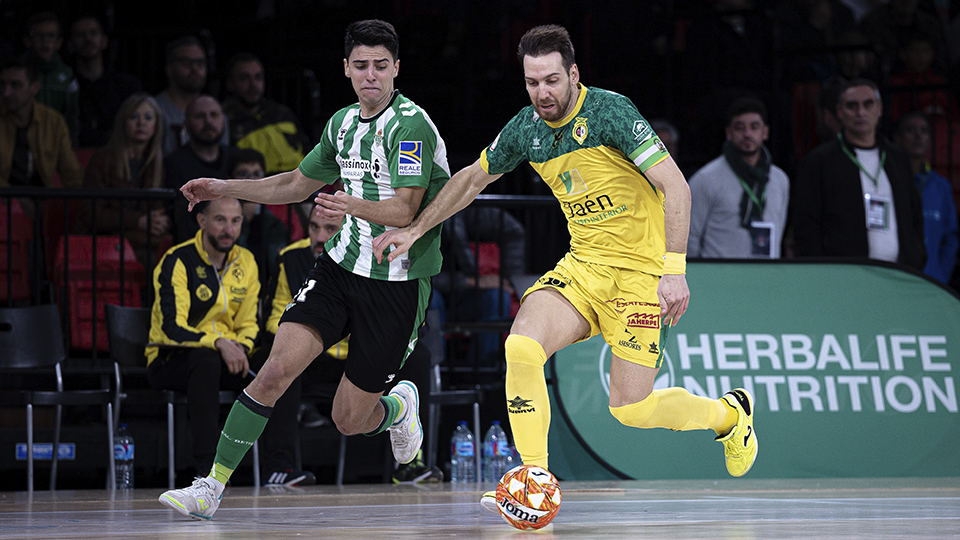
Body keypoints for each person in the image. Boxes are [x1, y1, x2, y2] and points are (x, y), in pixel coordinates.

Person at [371, 24, 758, 515]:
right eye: (532, 82)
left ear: (574, 74)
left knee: (631, 409)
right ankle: (536, 478)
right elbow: (471, 178)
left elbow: (676, 188)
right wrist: (414, 229)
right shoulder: (527, 128)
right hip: (582, 268)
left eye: (552, 80)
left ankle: (729, 416)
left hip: (638, 275)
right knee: (521, 346)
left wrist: (673, 270)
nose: (542, 93)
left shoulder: (610, 113)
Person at [160, 20, 444, 520]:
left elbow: (404, 211)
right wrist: (222, 187)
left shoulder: (411, 125)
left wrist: (346, 202)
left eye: (381, 66)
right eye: (361, 66)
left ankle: (399, 409)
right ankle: (210, 488)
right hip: (338, 269)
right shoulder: (340, 124)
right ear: (346, 69)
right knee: (272, 372)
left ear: (396, 68)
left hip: (396, 284)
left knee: (348, 419)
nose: (371, 76)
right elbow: (295, 183)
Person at [145, 197, 262, 479]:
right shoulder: (177, 260)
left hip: (228, 357)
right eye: (220, 220)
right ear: (202, 221)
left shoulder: (246, 261)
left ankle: (281, 468)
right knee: (206, 361)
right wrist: (220, 343)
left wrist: (241, 348)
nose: (228, 230)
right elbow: (173, 328)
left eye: (235, 221)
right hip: (170, 359)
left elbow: (250, 324)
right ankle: (207, 472)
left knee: (277, 364)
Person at [792, 78, 926, 270]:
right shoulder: (819, 162)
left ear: (879, 109)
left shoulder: (897, 158)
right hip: (845, 277)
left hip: (899, 275)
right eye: (852, 106)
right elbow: (806, 226)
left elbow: (914, 216)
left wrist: (916, 256)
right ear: (840, 112)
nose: (860, 112)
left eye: (868, 104)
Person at [687, 97, 790, 259]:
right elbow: (689, 238)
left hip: (765, 277)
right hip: (718, 279)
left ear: (765, 132)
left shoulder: (780, 179)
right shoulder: (705, 179)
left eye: (754, 127)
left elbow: (779, 233)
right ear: (728, 133)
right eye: (739, 128)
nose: (747, 134)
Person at [79, 92, 170, 269]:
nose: (141, 123)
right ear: (123, 123)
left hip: (143, 243)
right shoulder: (103, 159)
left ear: (156, 125)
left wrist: (160, 221)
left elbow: (158, 209)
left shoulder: (157, 164)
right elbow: (90, 214)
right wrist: (139, 221)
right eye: (133, 116)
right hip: (106, 244)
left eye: (148, 117)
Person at [433, 206, 525, 364]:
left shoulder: (466, 213)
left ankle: (484, 375)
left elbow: (512, 230)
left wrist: (508, 281)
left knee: (498, 297)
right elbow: (418, 278)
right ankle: (434, 375)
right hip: (436, 294)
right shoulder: (412, 217)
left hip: (466, 299)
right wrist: (473, 282)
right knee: (428, 297)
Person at [0, 58, 82, 200]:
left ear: (35, 88)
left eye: (15, 85)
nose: (6, 93)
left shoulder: (53, 121)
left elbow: (71, 174)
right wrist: (17, 200)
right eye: (2, 85)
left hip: (42, 204)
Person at [893, 112, 958, 283]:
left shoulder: (941, 187)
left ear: (930, 140)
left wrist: (940, 274)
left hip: (931, 281)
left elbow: (951, 238)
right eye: (910, 130)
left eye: (924, 131)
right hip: (894, 278)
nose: (918, 136)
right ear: (897, 138)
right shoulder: (887, 180)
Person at [222, 52, 313, 175]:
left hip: (301, 180)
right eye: (244, 78)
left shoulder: (281, 112)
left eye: (258, 77)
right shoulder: (224, 120)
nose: (253, 84)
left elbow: (309, 150)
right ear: (230, 83)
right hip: (261, 185)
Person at [165, 95, 234, 243]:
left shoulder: (236, 158)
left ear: (224, 121)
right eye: (200, 116)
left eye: (214, 115)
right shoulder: (173, 164)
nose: (208, 121)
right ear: (186, 125)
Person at [68, 15, 142, 148]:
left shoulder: (126, 86)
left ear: (104, 41)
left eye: (93, 33)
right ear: (70, 44)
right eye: (81, 34)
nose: (88, 39)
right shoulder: (65, 87)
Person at [154, 36, 229, 156]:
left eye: (200, 63)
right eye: (186, 63)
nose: (194, 69)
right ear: (169, 68)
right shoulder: (154, 110)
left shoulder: (214, 111)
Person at [228, 148, 289, 286]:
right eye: (243, 174)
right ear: (230, 179)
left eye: (257, 174)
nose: (251, 181)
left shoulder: (274, 222)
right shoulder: (219, 217)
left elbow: (276, 267)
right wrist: (242, 218)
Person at [22, 11, 79, 146]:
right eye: (38, 35)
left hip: (56, 144)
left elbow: (72, 118)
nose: (45, 41)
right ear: (27, 41)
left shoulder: (67, 76)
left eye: (51, 36)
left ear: (59, 42)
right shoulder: (17, 73)